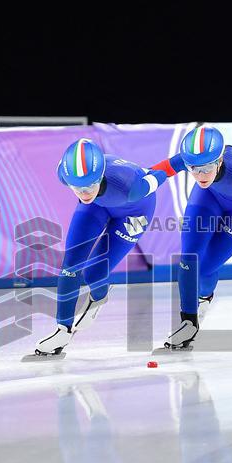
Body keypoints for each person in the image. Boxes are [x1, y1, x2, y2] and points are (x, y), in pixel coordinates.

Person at [150, 126, 232, 349]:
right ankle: (188, 322)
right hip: (209, 198)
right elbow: (159, 170)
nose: (200, 175)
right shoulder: (195, 158)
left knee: (206, 267)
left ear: (219, 161)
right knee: (189, 259)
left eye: (207, 168)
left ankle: (205, 297)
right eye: (193, 169)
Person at [33, 138, 167, 357]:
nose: (84, 193)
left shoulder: (132, 185)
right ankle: (62, 330)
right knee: (71, 264)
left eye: (89, 186)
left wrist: (192, 160)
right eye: (77, 188)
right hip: (98, 207)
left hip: (134, 212)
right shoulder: (64, 174)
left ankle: (99, 296)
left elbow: (165, 171)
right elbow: (85, 191)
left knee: (94, 273)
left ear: (101, 176)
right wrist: (90, 191)